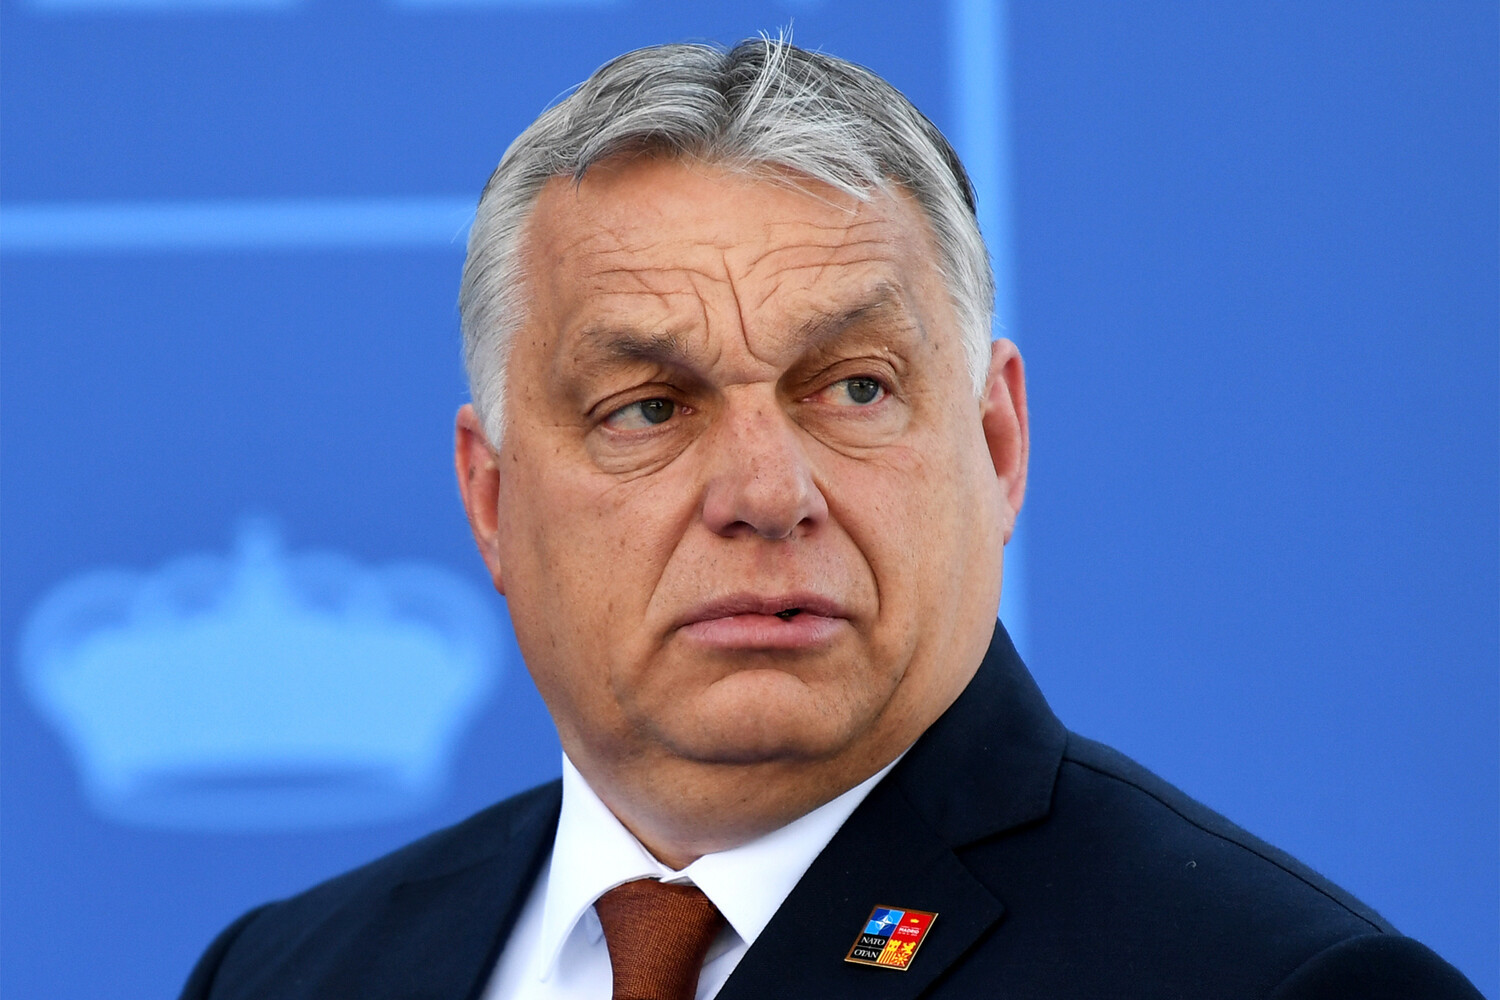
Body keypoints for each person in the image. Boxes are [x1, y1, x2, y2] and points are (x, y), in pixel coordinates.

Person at [180, 37, 1482, 1000]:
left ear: (997, 444)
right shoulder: (284, 973)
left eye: (855, 388)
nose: (766, 495)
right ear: (493, 498)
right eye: (647, 408)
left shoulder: (1281, 986)